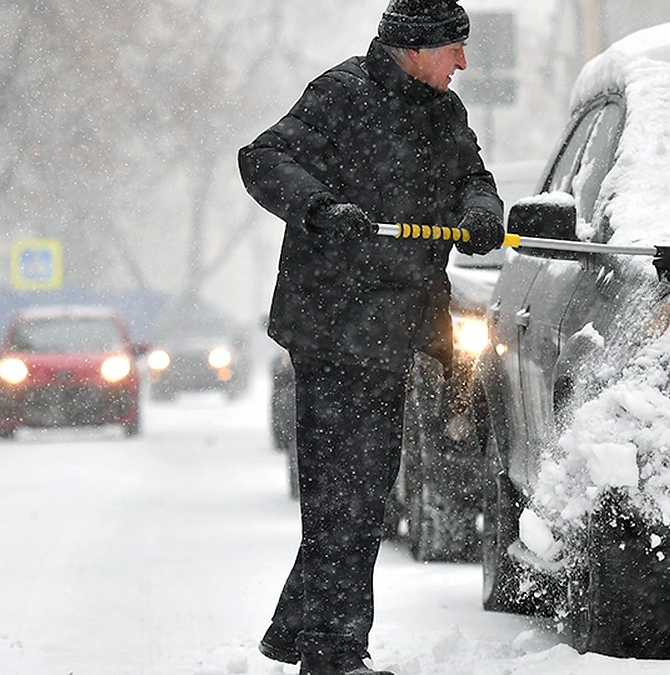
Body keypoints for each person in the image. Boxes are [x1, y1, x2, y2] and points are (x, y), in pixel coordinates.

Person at [237, 1, 502, 673]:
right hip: (330, 326)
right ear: (415, 49)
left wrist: (478, 213)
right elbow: (263, 158)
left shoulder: (445, 114)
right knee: (341, 494)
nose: (463, 63)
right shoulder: (340, 94)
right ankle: (333, 654)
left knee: (364, 491)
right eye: (454, 49)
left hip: (395, 328)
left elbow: (473, 177)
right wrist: (321, 210)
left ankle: (297, 628)